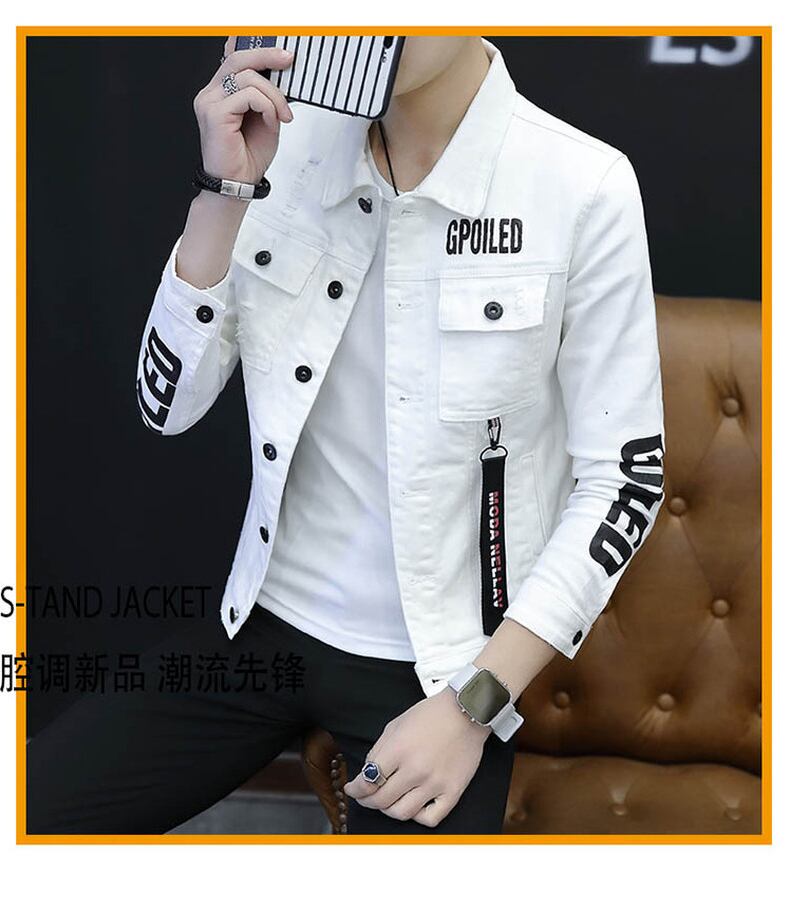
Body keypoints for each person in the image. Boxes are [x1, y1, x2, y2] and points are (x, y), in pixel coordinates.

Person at [27, 34, 665, 835]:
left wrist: (473, 701)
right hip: (261, 621)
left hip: (437, 668)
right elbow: (166, 404)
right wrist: (224, 192)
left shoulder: (581, 184)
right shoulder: (286, 145)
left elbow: (626, 480)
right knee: (34, 817)